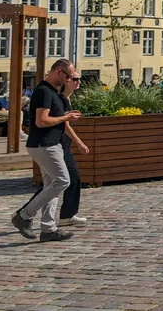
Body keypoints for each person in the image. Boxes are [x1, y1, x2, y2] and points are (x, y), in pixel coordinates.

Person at [12, 59, 79, 242]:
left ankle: (48, 228)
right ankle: (24, 215)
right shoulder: (43, 91)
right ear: (58, 71)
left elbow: (59, 119)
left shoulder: (53, 92)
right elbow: (41, 121)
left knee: (52, 185)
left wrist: (67, 115)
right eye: (68, 76)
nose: (68, 80)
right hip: (44, 144)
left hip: (50, 144)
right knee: (63, 181)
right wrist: (65, 117)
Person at [57, 73, 89, 227]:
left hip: (64, 145)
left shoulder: (67, 99)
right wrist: (80, 143)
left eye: (79, 79)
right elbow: (65, 125)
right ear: (67, 81)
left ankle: (68, 215)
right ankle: (26, 212)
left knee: (69, 179)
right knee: (69, 179)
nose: (79, 82)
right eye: (75, 79)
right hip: (60, 145)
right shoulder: (62, 98)